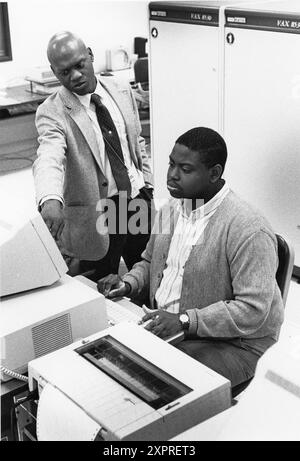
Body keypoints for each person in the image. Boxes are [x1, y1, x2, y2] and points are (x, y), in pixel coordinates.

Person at [97, 127, 284, 388]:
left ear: (214, 173)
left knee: (151, 382)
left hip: (234, 345)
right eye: (171, 164)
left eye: (185, 170)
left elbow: (253, 310)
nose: (172, 175)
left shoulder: (248, 229)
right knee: (107, 360)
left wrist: (185, 321)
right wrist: (127, 283)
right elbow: (150, 262)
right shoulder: (172, 207)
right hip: (170, 326)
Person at [33, 31, 153, 280]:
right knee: (99, 289)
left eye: (79, 65)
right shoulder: (52, 111)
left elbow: (137, 140)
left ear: (89, 55)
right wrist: (50, 198)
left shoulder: (120, 88)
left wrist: (148, 185)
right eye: (65, 72)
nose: (75, 76)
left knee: (146, 277)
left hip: (135, 200)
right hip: (96, 212)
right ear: (55, 73)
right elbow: (49, 156)